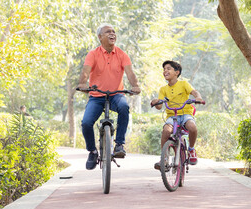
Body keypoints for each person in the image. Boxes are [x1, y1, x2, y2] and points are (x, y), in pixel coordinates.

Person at [77, 23, 141, 170]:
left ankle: (119, 144)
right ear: (100, 37)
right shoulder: (93, 54)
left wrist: (135, 85)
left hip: (116, 95)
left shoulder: (122, 54)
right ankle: (92, 151)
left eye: (113, 32)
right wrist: (82, 84)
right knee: (86, 123)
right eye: (108, 32)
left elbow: (130, 73)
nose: (112, 34)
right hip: (96, 96)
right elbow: (85, 72)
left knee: (124, 107)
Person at [151, 60, 203, 170]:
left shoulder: (184, 84)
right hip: (172, 116)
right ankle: (164, 158)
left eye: (168, 68)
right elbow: (159, 106)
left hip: (185, 114)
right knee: (166, 130)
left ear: (177, 72)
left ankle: (191, 149)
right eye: (164, 69)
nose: (165, 71)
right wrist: (156, 102)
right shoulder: (163, 89)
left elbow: (194, 92)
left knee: (192, 127)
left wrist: (198, 97)